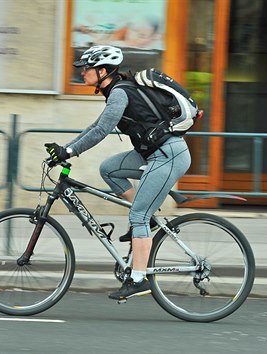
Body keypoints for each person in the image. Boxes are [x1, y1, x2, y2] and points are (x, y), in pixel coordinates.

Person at [44, 45, 191, 301]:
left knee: (138, 217)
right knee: (109, 169)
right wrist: (67, 149)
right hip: (152, 153)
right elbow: (96, 126)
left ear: (102, 71)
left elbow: (101, 131)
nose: (82, 73)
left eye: (86, 69)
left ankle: (138, 278)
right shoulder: (115, 93)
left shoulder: (120, 93)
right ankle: (149, 220)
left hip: (169, 154)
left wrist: (69, 152)